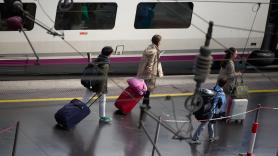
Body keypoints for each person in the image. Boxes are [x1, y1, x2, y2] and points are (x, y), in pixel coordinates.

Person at [82, 46, 113, 123]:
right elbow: (102, 79)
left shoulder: (97, 59)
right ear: (110, 54)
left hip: (90, 83)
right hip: (98, 86)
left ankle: (75, 110)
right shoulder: (105, 64)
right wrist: (102, 90)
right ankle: (102, 117)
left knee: (85, 100)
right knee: (102, 100)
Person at [190, 79, 227, 144]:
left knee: (211, 124)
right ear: (224, 85)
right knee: (203, 125)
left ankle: (211, 137)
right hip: (212, 111)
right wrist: (222, 113)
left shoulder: (213, 88)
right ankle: (194, 138)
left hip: (208, 109)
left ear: (218, 82)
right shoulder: (221, 93)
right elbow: (221, 104)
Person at [137, 34, 164, 109]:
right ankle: (145, 104)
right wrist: (150, 73)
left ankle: (146, 103)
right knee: (148, 89)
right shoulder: (154, 51)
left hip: (146, 72)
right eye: (160, 41)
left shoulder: (149, 47)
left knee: (146, 89)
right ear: (158, 42)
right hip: (151, 73)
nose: (160, 43)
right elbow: (151, 63)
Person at [217, 47, 240, 116]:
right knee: (225, 99)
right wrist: (237, 74)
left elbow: (226, 72)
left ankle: (218, 112)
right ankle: (221, 113)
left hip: (221, 82)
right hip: (226, 84)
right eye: (236, 54)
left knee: (221, 98)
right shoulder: (230, 63)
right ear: (232, 54)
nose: (236, 55)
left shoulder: (225, 60)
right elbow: (230, 75)